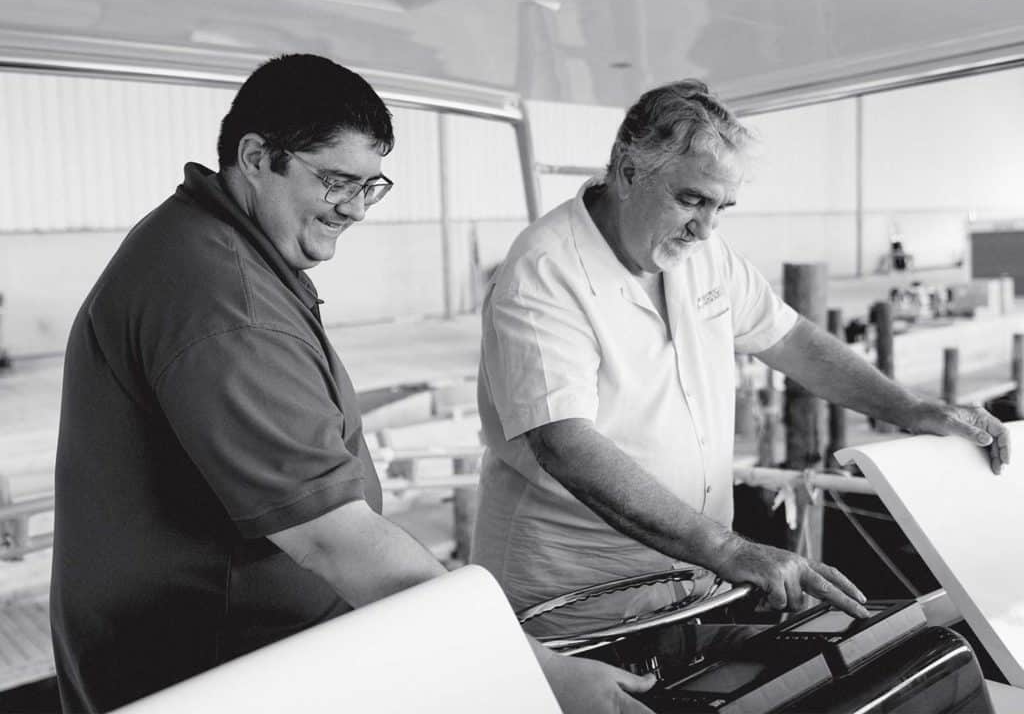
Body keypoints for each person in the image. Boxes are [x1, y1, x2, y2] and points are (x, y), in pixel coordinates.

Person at [51, 54, 655, 713]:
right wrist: (534, 669)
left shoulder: (219, 249)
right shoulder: (224, 303)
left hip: (258, 653)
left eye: (372, 186)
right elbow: (333, 539)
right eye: (337, 181)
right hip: (215, 673)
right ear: (256, 157)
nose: (357, 209)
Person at [471, 79, 1010, 637]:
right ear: (629, 173)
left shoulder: (701, 252)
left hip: (689, 583)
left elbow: (791, 341)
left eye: (721, 207)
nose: (706, 228)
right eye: (692, 200)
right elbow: (566, 444)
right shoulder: (544, 272)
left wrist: (910, 408)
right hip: (575, 604)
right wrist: (728, 548)